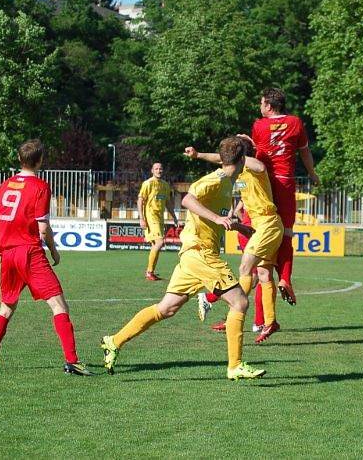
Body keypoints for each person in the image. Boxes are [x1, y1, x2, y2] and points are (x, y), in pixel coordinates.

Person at [100, 137, 266, 380]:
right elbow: (188, 199)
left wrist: (238, 227)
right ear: (242, 160)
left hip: (193, 255)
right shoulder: (216, 179)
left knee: (166, 309)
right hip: (201, 253)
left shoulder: (229, 183)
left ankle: (114, 341)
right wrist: (219, 219)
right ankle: (235, 365)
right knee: (240, 302)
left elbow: (217, 216)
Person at [0, 139, 91, 375]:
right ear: (40, 160)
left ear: (19, 159)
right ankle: (72, 361)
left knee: (6, 308)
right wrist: (53, 250)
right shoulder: (40, 186)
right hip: (29, 252)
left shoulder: (4, 185)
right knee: (59, 305)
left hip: (7, 253)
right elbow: (42, 227)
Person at [186, 139, 284, 343]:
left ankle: (228, 308)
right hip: (258, 225)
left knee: (245, 268)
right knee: (264, 274)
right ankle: (270, 321)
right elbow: (222, 159)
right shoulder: (238, 175)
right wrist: (199, 155)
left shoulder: (255, 168)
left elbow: (260, 165)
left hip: (268, 222)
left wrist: (241, 152)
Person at [248, 87, 319, 305]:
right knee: (286, 233)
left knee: (258, 231)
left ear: (269, 105)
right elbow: (305, 152)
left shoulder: (259, 126)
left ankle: (249, 287)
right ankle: (285, 278)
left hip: (263, 185)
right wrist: (312, 174)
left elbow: (256, 154)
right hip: (285, 181)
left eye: (261, 103)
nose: (260, 107)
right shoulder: (296, 123)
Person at [138, 162, 179, 281]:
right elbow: (140, 200)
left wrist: (174, 217)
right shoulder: (148, 183)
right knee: (160, 242)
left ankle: (151, 272)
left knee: (155, 245)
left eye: (160, 168)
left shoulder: (165, 185)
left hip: (160, 218)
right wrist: (141, 218)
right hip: (151, 217)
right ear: (152, 170)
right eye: (156, 169)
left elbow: (168, 203)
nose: (159, 170)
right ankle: (149, 272)